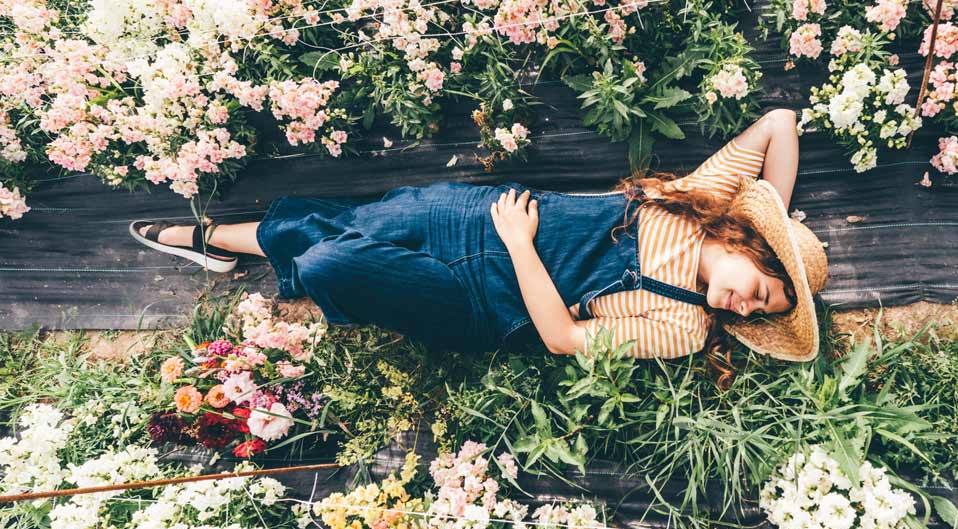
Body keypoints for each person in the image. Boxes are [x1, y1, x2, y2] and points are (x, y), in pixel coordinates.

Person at [129, 109, 829, 368]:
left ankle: (222, 244)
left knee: (328, 260)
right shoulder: (701, 200)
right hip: (473, 215)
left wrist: (522, 246)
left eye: (757, 315)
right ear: (750, 246)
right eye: (763, 291)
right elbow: (778, 123)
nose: (743, 308)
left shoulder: (684, 328)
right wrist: (776, 223)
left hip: (481, 300)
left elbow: (563, 339)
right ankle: (214, 238)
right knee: (353, 225)